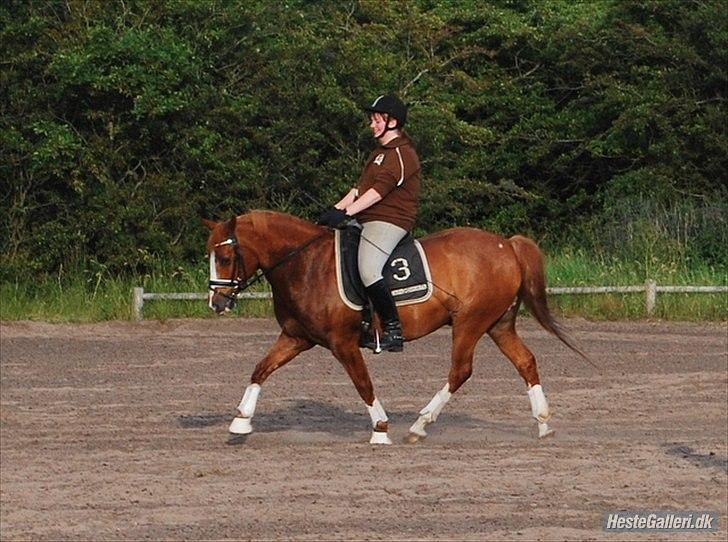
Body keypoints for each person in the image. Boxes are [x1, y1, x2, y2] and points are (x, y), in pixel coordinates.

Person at [318, 94, 421, 352]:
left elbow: (378, 193)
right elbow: (359, 189)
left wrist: (347, 213)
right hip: (367, 217)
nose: (372, 125)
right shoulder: (378, 154)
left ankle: (393, 330)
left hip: (390, 220)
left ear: (393, 121)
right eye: (372, 120)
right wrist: (334, 209)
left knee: (368, 269)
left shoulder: (402, 154)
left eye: (376, 120)